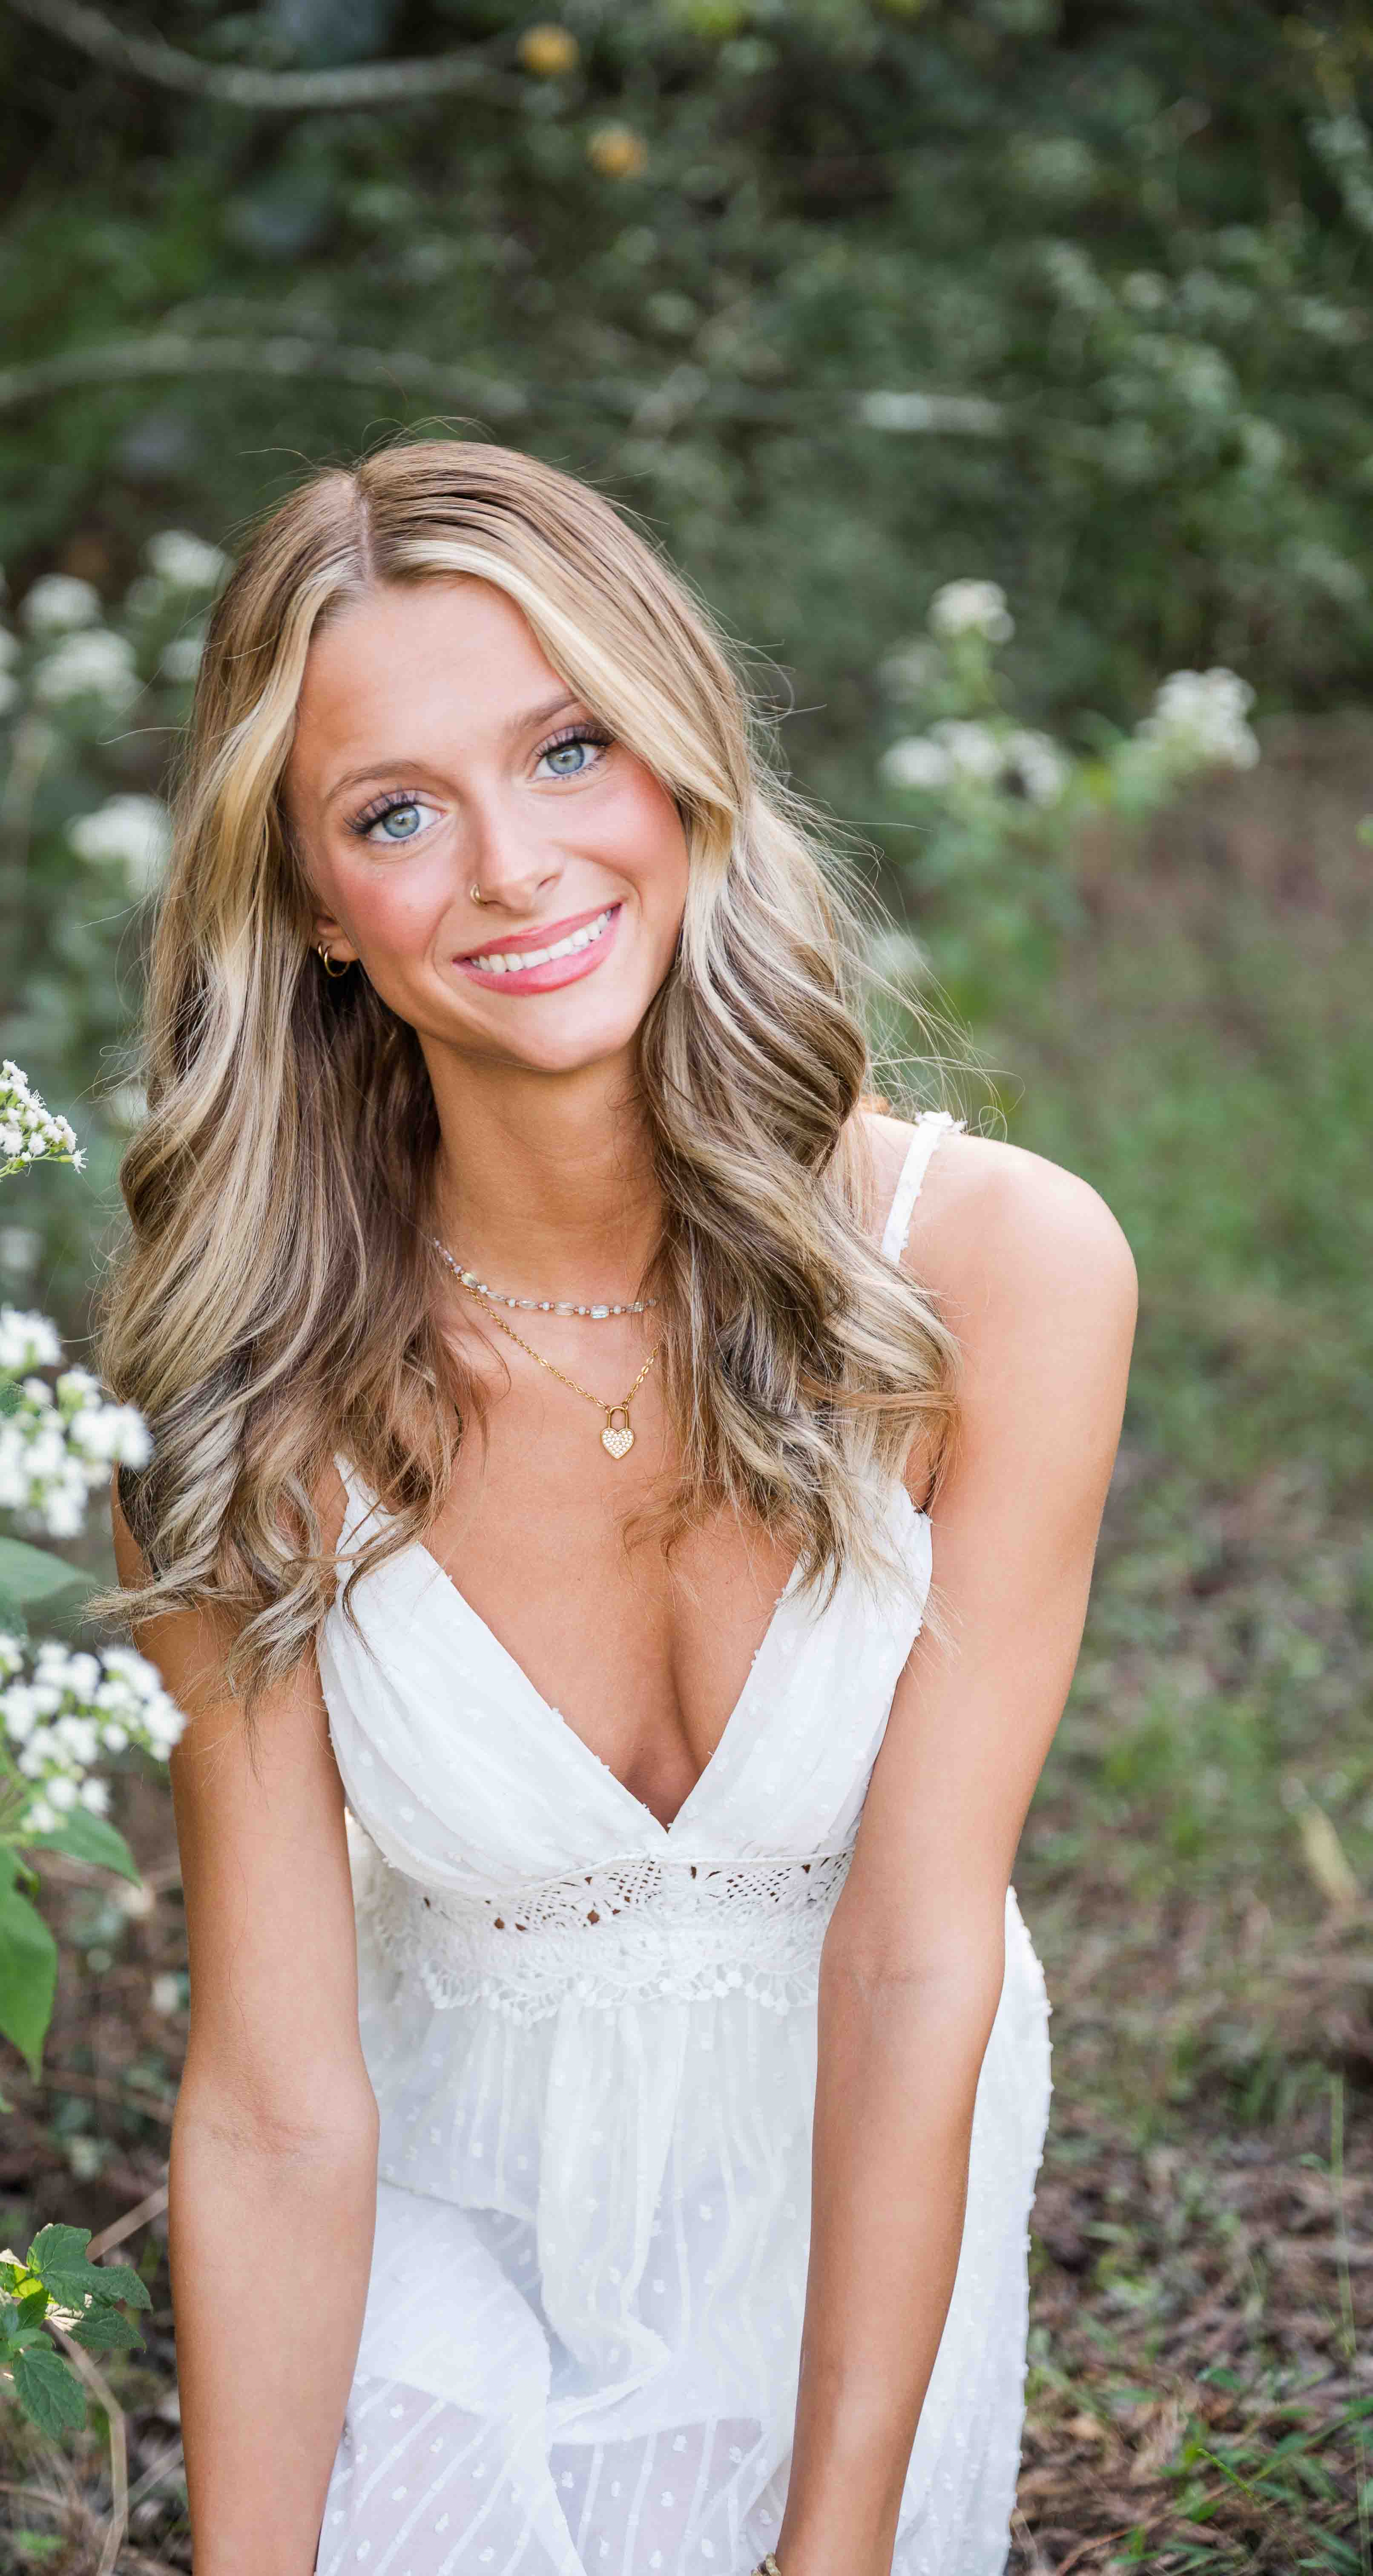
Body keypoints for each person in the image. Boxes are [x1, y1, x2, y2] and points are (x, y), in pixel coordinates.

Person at [94, 439, 1137, 2576]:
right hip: (431, 2246)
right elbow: (279, 2106)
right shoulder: (237, 1400)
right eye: (396, 812)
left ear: (678, 759)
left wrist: (825, 2552)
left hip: (852, 2236)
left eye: (569, 751)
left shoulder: (1000, 1276)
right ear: (306, 899)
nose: (511, 866)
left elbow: (916, 1956)